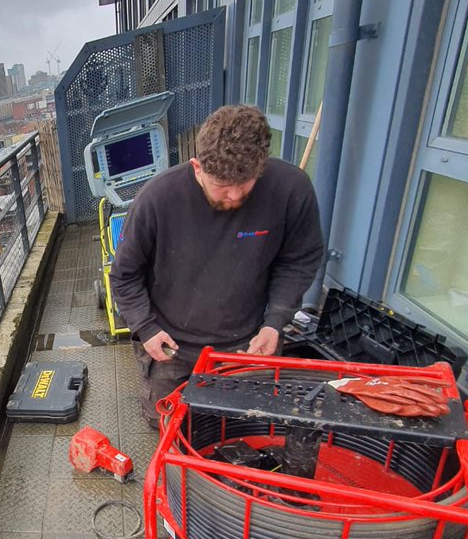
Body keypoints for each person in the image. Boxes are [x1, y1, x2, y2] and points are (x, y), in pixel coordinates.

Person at [109, 104, 324, 428]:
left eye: (246, 183)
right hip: (172, 346)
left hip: (251, 343)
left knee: (251, 428)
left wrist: (275, 321)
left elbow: (298, 260)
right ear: (197, 167)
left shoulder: (292, 190)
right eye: (222, 186)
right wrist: (147, 329)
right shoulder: (157, 199)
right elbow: (124, 276)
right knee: (171, 429)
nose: (235, 196)